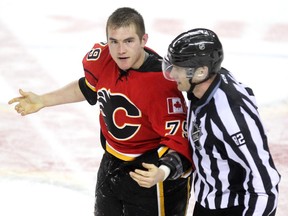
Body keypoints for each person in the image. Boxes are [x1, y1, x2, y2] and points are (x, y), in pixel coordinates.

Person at [8, 7, 194, 216]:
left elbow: (180, 141)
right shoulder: (104, 59)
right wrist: (43, 100)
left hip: (149, 174)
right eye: (114, 41)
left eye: (129, 41)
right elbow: (88, 87)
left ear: (144, 40)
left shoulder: (161, 83)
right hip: (111, 163)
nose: (120, 50)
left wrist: (163, 171)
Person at [162, 28, 281, 216]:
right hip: (205, 202)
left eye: (179, 68)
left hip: (232, 209)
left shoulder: (231, 117)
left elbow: (265, 184)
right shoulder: (201, 86)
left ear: (201, 72)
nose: (173, 74)